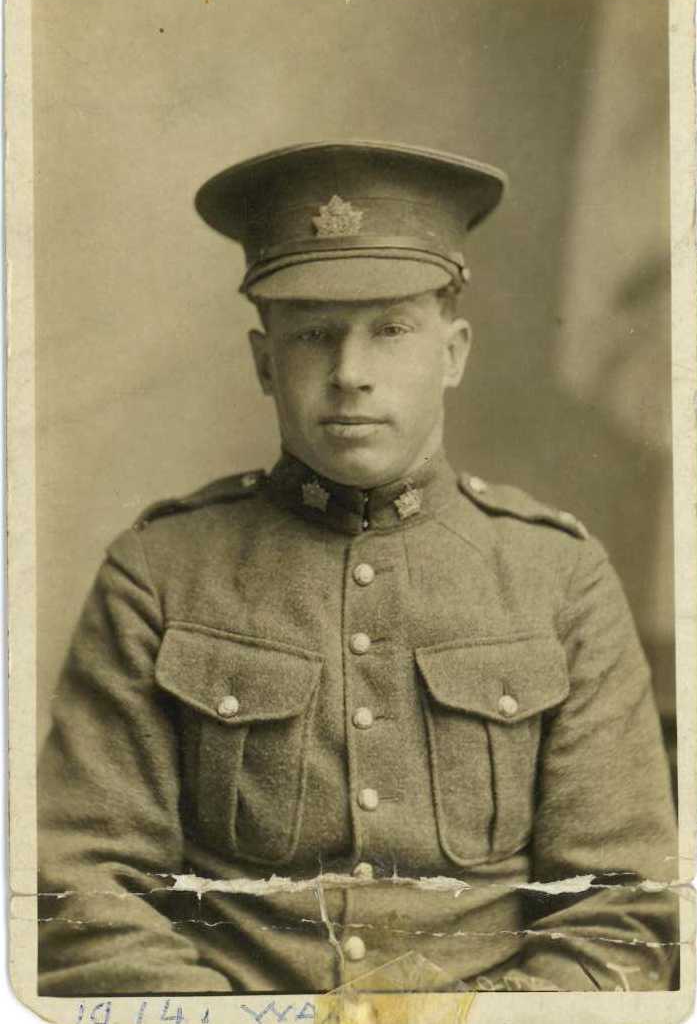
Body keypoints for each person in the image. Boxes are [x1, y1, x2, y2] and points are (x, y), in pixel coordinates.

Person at [38, 141, 678, 996]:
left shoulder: (556, 578)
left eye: (389, 332)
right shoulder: (159, 574)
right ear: (265, 362)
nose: (350, 375)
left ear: (451, 354)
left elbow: (621, 912)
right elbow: (82, 891)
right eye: (312, 336)